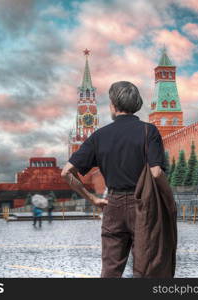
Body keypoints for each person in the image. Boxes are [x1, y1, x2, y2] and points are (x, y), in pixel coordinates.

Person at [61, 81, 167, 278]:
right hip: (143, 206)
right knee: (146, 269)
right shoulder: (148, 131)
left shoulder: (99, 135)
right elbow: (156, 173)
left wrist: (93, 199)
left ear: (113, 105)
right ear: (136, 104)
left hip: (113, 205)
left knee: (110, 269)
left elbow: (66, 172)